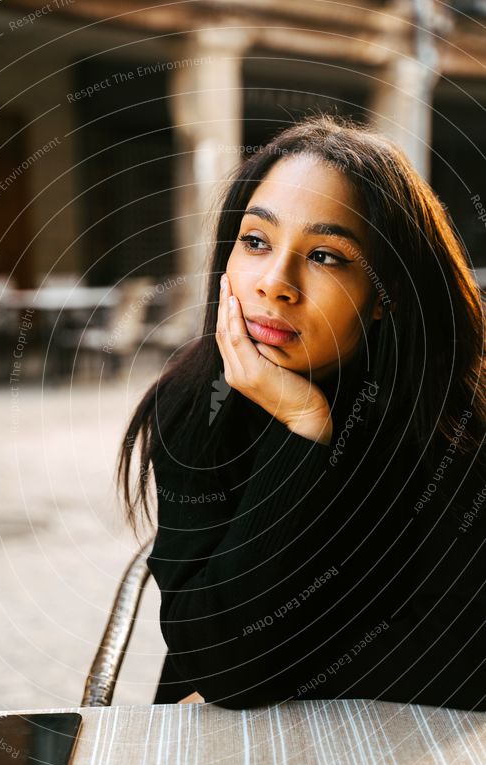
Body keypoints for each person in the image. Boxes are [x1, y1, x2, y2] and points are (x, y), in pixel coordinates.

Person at [118, 113, 486, 711]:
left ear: (382, 298)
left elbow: (456, 664)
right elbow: (220, 665)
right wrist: (302, 427)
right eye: (256, 241)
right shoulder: (195, 404)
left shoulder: (453, 423)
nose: (274, 283)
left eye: (325, 255)